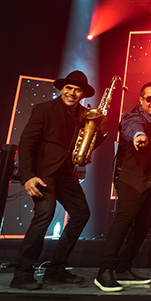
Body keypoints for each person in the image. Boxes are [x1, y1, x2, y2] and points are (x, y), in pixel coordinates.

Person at [11, 70, 106, 290]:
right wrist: (28, 176)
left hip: (66, 173)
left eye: (77, 90)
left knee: (82, 213)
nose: (72, 93)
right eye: (69, 88)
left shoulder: (85, 114)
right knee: (45, 213)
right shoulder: (43, 109)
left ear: (83, 93)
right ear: (62, 89)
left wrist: (101, 132)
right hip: (43, 172)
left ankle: (55, 270)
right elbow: (26, 143)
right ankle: (22, 274)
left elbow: (87, 147)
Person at [94, 80, 151, 291]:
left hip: (147, 179)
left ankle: (123, 268)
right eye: (150, 99)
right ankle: (104, 270)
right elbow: (132, 127)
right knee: (125, 220)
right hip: (130, 178)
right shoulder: (134, 118)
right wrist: (139, 135)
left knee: (145, 223)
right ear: (141, 100)